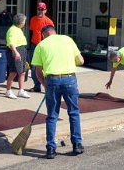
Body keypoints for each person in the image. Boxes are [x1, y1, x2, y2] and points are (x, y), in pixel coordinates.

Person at [31, 25, 84, 159]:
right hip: (69, 79)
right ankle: (77, 144)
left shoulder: (41, 46)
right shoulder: (67, 39)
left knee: (52, 115)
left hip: (52, 80)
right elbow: (81, 61)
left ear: (45, 34)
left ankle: (50, 148)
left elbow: (38, 72)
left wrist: (45, 85)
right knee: (73, 112)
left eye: (42, 35)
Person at [28, 2, 55, 93]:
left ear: (45, 10)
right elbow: (32, 32)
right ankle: (37, 86)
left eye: (42, 9)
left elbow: (52, 35)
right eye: (38, 9)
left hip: (45, 46)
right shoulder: (33, 19)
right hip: (34, 45)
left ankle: (48, 86)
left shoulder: (49, 21)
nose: (40, 11)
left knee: (45, 67)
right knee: (33, 67)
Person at [5, 13, 30, 99]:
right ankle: (8, 91)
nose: (24, 22)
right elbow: (11, 43)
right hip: (15, 51)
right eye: (24, 21)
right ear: (20, 22)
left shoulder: (18, 29)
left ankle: (21, 91)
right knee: (13, 71)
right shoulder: (12, 30)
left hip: (22, 50)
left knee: (23, 71)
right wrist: (16, 52)